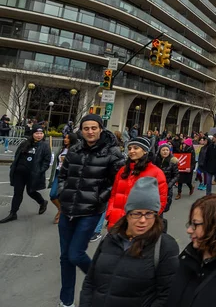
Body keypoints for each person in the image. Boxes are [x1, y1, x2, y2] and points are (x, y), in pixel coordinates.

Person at [56, 114, 125, 307]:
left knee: (75, 254)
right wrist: (63, 192)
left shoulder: (112, 152)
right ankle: (66, 300)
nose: (90, 131)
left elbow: (118, 181)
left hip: (90, 211)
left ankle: (102, 283)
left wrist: (99, 198)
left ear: (101, 129)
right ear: (81, 130)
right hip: (68, 209)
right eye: (86, 128)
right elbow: (62, 174)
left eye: (94, 128)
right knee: (65, 258)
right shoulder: (74, 149)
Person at [80, 177, 179, 307]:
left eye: (149, 214)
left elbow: (166, 296)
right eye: (137, 213)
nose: (143, 220)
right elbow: (90, 281)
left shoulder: (164, 246)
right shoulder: (110, 238)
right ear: (127, 214)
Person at [105, 137, 167, 229]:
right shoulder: (122, 170)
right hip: (117, 221)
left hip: (140, 224)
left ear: (145, 151)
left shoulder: (156, 173)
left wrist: (147, 219)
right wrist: (110, 213)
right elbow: (114, 194)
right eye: (129, 148)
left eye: (135, 148)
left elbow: (161, 201)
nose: (131, 151)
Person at [0, 124, 51, 223]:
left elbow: (46, 162)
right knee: (17, 193)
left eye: (41, 133)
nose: (39, 135)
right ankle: (13, 213)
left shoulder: (45, 146)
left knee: (31, 191)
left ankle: (42, 202)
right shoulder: (24, 143)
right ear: (32, 134)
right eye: (37, 133)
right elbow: (17, 156)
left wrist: (39, 171)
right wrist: (14, 167)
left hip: (33, 174)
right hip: (19, 173)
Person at [48, 133, 79, 224]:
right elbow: (56, 161)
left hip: (68, 175)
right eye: (65, 138)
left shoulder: (75, 150)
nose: (65, 139)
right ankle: (61, 209)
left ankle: (62, 213)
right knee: (53, 194)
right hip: (58, 173)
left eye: (68, 138)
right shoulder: (62, 148)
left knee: (64, 196)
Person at [155, 143, 179, 213]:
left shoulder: (172, 161)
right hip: (155, 187)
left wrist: (169, 185)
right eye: (163, 150)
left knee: (162, 209)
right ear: (159, 151)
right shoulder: (156, 160)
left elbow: (176, 175)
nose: (165, 152)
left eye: (167, 150)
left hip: (166, 188)